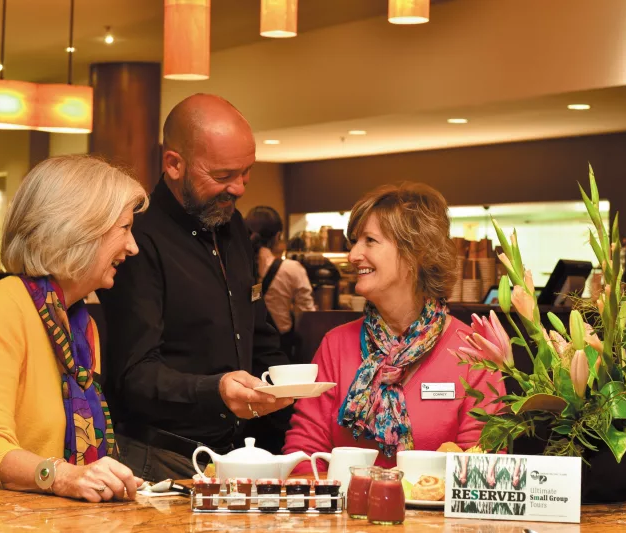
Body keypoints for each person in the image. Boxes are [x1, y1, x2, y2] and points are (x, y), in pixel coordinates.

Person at [0, 155, 148, 501]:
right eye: (124, 228)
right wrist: (61, 476)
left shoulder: (81, 323)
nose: (133, 247)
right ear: (77, 228)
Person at [98, 94, 293, 482]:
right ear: (174, 164)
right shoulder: (137, 237)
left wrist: (295, 391)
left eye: (246, 172)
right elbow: (133, 373)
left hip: (242, 452)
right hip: (163, 456)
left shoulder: (233, 227)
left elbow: (258, 331)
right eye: (222, 175)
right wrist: (215, 390)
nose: (238, 188)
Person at [283, 182, 504, 470]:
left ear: (415, 253)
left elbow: (482, 462)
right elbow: (304, 453)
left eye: (370, 241)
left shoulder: (473, 350)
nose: (352, 256)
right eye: (354, 241)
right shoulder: (335, 345)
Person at [245, 205, 315, 360]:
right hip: (280, 349)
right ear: (277, 236)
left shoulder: (237, 267)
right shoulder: (291, 268)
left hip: (245, 349)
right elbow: (307, 312)